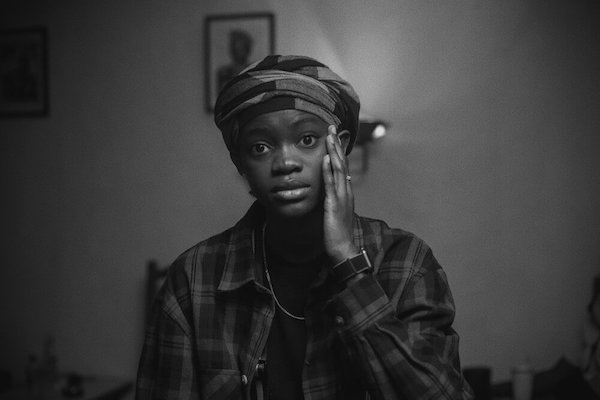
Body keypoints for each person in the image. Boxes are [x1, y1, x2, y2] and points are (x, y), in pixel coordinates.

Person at [136, 55, 473, 399]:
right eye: (260, 147)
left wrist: (350, 265)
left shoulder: (406, 264)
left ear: (340, 146)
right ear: (241, 163)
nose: (285, 162)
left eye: (307, 139)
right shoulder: (193, 279)